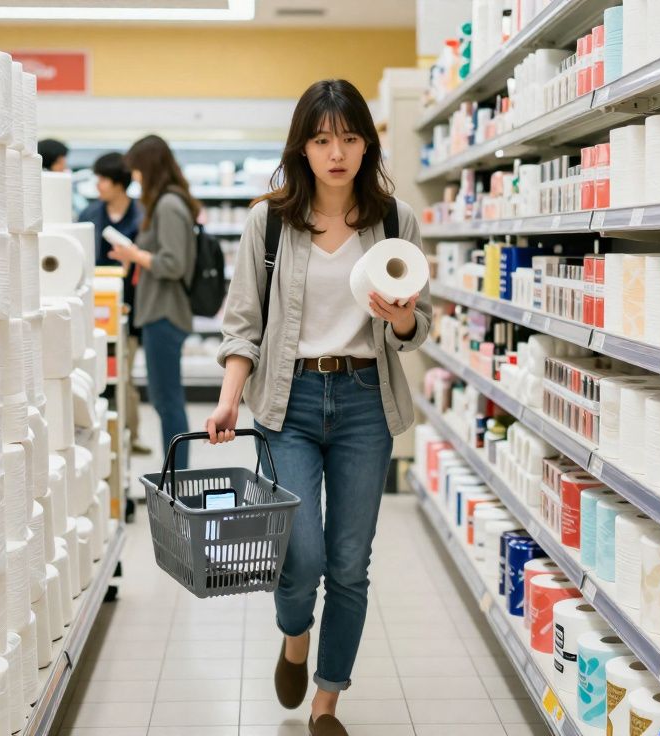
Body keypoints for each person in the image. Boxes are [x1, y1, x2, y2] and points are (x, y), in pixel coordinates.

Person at [206, 79, 430, 736]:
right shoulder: (268, 220)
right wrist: (227, 401)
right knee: (298, 556)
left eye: (351, 137)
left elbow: (414, 333)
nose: (338, 152)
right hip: (288, 403)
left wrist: (407, 319)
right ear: (303, 146)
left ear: (367, 144)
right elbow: (242, 322)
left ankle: (327, 700)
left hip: (366, 403)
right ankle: (294, 634)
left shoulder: (396, 222)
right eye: (323, 138)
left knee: (349, 564)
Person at [105, 135, 200, 470]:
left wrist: (136, 254)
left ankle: (177, 474)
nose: (134, 178)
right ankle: (175, 471)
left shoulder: (169, 206)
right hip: (158, 312)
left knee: (168, 402)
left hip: (165, 314)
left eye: (137, 171)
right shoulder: (164, 203)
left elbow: (174, 264)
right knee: (164, 401)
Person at [78, 152, 150, 456]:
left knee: (124, 372)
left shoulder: (144, 216)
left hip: (131, 307)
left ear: (120, 183)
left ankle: (129, 433)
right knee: (97, 372)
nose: (99, 186)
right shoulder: (88, 215)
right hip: (93, 307)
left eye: (104, 179)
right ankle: (101, 429)